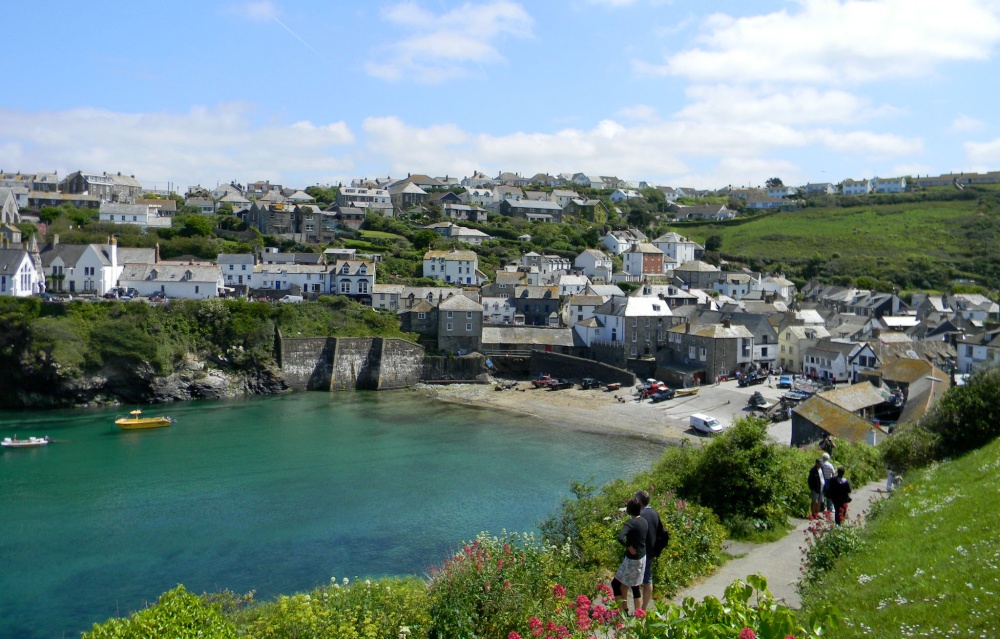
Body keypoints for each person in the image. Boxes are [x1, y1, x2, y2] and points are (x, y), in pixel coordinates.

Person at [611, 496, 648, 615]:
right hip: (642, 558)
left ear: (629, 510)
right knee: (635, 586)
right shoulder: (644, 521)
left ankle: (622, 611)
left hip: (632, 560)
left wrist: (628, 547)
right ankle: (638, 615)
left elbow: (620, 538)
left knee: (615, 583)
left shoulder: (630, 523)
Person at [634, 490, 662, 611]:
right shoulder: (654, 513)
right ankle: (644, 609)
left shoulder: (639, 515)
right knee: (647, 579)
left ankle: (637, 610)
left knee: (635, 581)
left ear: (639, 501)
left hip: (640, 552)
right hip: (651, 551)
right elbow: (663, 533)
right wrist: (657, 549)